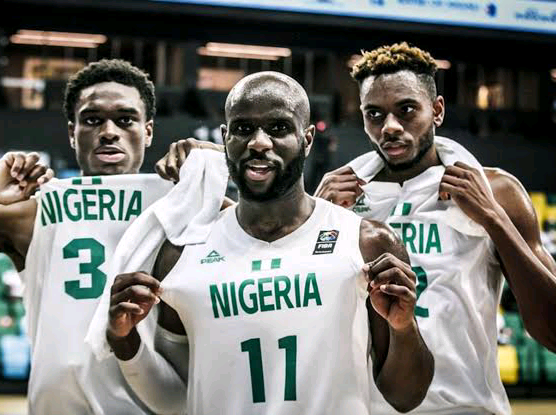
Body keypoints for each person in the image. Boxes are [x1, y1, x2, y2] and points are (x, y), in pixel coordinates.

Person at [0, 59, 214, 414]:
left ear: (148, 131)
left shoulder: (180, 207)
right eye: (92, 119)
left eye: (125, 119)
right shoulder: (33, 212)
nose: (109, 131)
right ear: (72, 132)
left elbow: (254, 237)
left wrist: (219, 163)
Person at [106, 72, 434, 414]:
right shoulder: (183, 252)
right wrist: (123, 339)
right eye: (243, 128)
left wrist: (403, 327)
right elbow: (172, 401)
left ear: (307, 139)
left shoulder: (368, 242)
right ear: (225, 138)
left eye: (278, 128)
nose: (259, 142)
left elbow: (405, 397)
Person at [314, 42, 556, 415]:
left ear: (437, 110)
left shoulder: (496, 191)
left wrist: (494, 218)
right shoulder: (338, 200)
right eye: (374, 114)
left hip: (467, 407)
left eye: (407, 110)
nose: (390, 127)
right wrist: (316, 221)